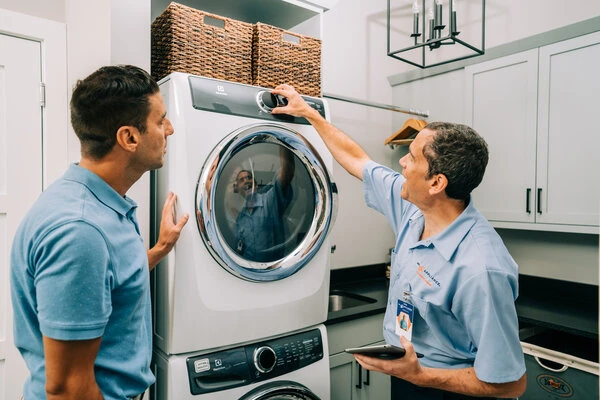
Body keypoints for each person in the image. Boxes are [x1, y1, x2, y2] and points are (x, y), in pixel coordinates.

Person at [271, 84, 527, 399]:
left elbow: (509, 384)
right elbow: (357, 160)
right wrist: (309, 113)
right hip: (407, 375)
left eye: (413, 157)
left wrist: (421, 377)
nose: (402, 163)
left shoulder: (481, 270)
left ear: (436, 182)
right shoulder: (412, 207)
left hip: (451, 389)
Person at [10, 65, 189, 400]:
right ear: (129, 137)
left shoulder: (98, 203)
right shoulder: (80, 232)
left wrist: (160, 249)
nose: (170, 129)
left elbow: (109, 284)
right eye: (160, 120)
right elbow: (67, 390)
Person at [232, 147, 295, 262]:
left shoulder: (270, 200)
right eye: (241, 180)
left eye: (249, 178)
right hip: (247, 270)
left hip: (272, 271)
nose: (246, 180)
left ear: (255, 185)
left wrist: (283, 136)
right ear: (238, 189)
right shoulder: (240, 217)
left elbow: (287, 172)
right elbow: (239, 247)